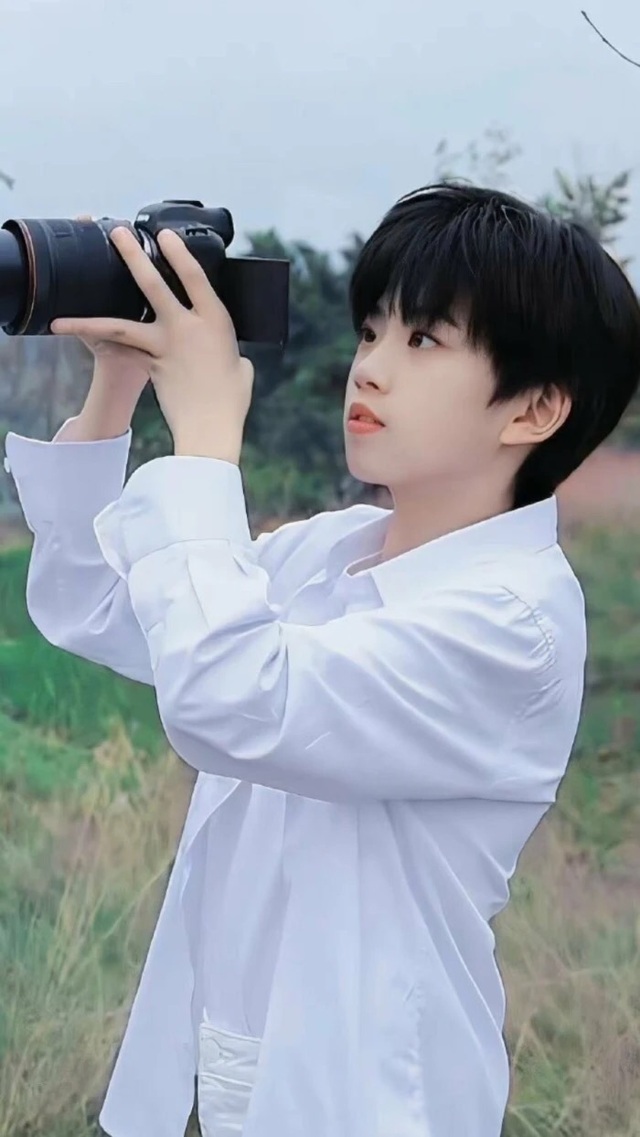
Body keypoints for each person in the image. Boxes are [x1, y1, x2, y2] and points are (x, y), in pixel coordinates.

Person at [4, 181, 640, 1137]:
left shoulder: (514, 623)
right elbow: (89, 599)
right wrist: (121, 377)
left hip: (363, 1099)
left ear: (535, 408)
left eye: (423, 340)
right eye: (371, 331)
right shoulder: (332, 550)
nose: (370, 369)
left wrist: (207, 438)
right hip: (216, 1076)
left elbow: (233, 700)